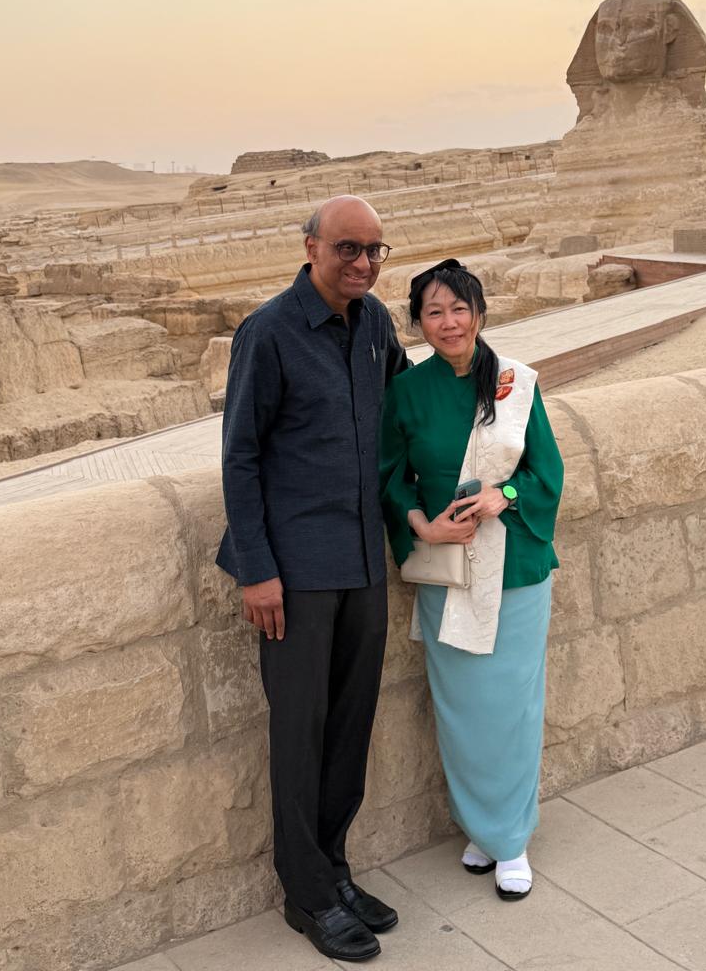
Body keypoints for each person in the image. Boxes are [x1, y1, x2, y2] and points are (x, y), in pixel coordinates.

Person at [217, 195, 408, 962]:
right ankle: (306, 897)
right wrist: (257, 571)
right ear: (311, 249)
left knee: (350, 727)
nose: (362, 262)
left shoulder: (377, 324)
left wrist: (485, 378)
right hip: (294, 575)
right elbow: (240, 457)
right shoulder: (267, 333)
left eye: (374, 249)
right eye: (347, 248)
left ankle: (334, 872)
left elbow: (407, 407)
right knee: (300, 733)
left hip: (363, 562)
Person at [379, 258, 563, 900]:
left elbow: (547, 473)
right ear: (418, 324)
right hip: (447, 572)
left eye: (460, 308)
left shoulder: (515, 384)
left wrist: (502, 495)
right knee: (461, 709)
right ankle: (480, 828)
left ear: (479, 313)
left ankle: (511, 838)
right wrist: (422, 527)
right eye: (434, 311)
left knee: (512, 707)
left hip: (516, 570)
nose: (449, 322)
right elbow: (390, 477)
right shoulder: (406, 392)